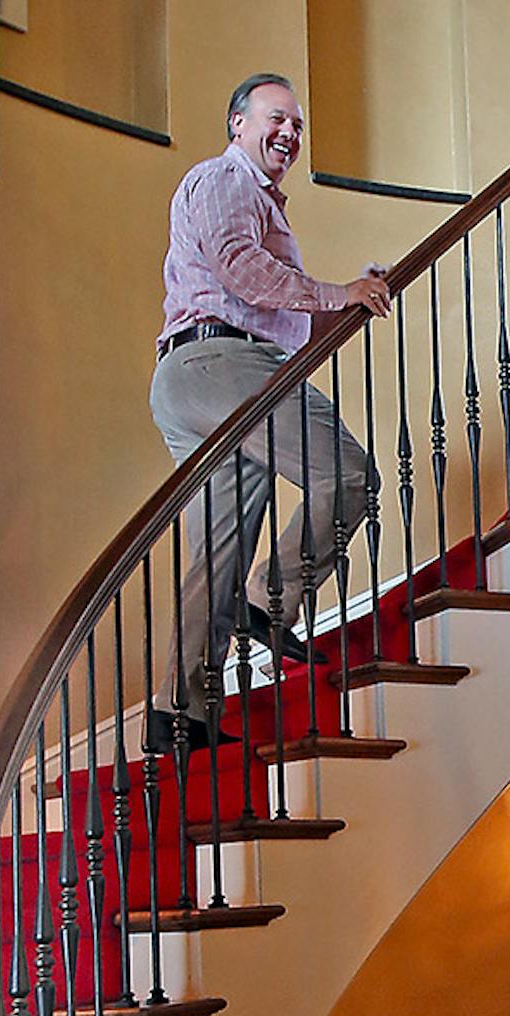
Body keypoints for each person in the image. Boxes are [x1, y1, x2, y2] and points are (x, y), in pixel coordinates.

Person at [148, 73, 393, 747]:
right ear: (237, 123)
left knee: (219, 548)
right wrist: (337, 289)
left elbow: (273, 313)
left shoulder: (258, 203)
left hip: (190, 372)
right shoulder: (227, 181)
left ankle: (180, 712)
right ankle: (271, 598)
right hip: (219, 366)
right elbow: (238, 268)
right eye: (275, 117)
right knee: (347, 475)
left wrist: (345, 304)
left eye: (297, 124)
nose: (289, 131)